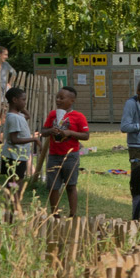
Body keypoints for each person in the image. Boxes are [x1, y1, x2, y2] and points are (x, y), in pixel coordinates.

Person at [40, 86, 90, 217]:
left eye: (62, 98)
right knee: (53, 186)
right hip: (54, 155)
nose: (58, 100)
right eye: (57, 97)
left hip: (71, 156)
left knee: (71, 185)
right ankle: (55, 215)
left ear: (72, 100)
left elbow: (86, 135)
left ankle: (72, 215)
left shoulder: (78, 116)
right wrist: (50, 130)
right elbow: (43, 132)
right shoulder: (52, 115)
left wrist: (70, 133)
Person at [0, 87, 35, 213]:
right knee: (15, 185)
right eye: (23, 100)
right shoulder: (13, 118)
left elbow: (28, 115)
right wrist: (34, 139)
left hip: (18, 156)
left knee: (16, 184)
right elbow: (14, 139)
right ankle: (12, 209)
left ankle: (12, 209)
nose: (25, 102)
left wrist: (20, 106)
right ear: (14, 100)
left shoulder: (18, 115)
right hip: (13, 157)